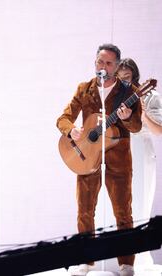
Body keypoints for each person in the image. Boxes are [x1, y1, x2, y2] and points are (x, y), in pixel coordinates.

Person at [56, 44, 142, 276]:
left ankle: (126, 263)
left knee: (123, 211)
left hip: (118, 156)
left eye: (108, 63)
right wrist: (71, 130)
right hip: (87, 155)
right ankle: (86, 260)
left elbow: (136, 126)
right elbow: (63, 118)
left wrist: (127, 117)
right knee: (84, 210)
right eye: (99, 62)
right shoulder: (85, 89)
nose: (102, 67)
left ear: (117, 67)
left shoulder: (130, 91)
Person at [117, 58, 162, 265]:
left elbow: (159, 131)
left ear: (135, 76)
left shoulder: (149, 95)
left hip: (141, 150)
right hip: (116, 152)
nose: (124, 82)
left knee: (141, 203)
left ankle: (140, 258)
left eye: (127, 78)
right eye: (120, 78)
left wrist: (143, 115)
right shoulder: (113, 96)